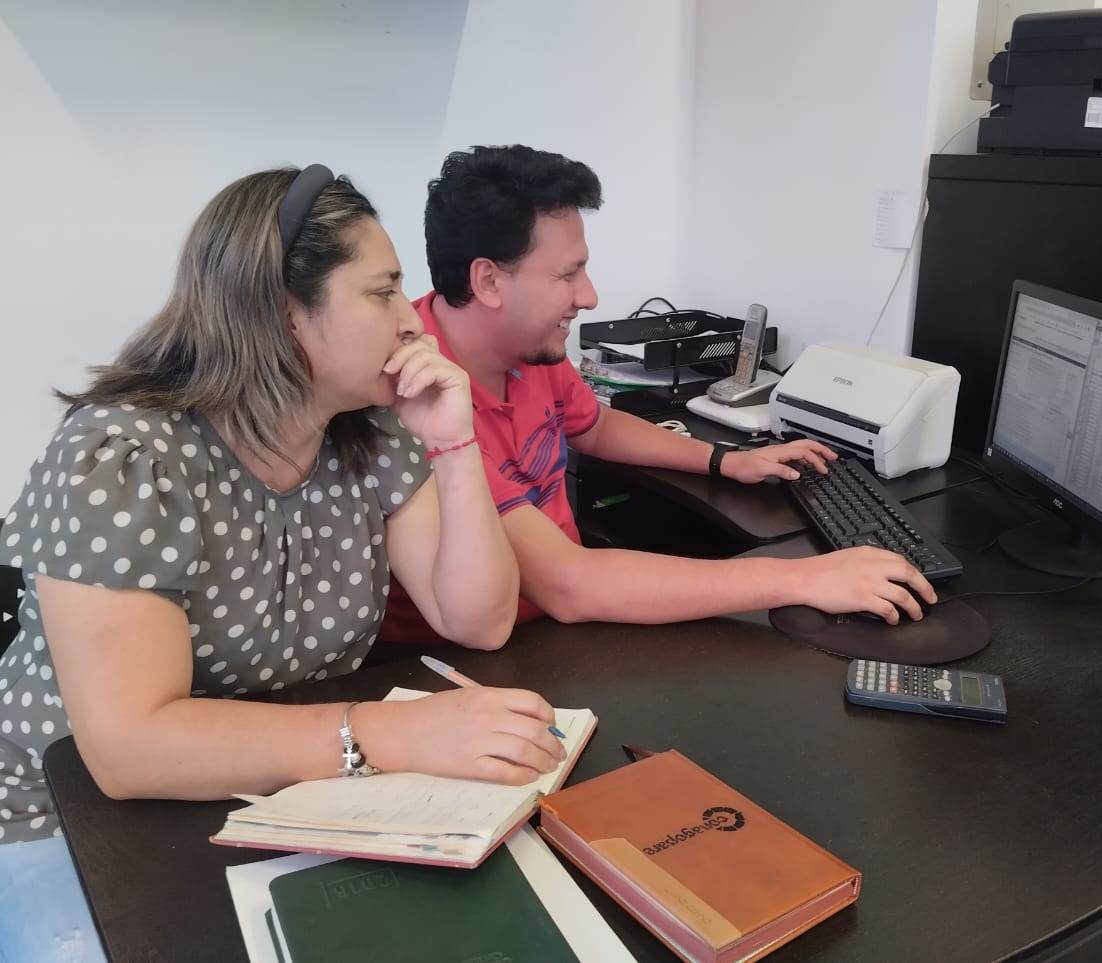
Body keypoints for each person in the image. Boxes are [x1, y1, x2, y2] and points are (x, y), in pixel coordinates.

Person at [0, 165, 565, 963]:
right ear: (280, 309)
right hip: (68, 823)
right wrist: (393, 733)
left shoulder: (371, 433)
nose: (412, 321)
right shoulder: (124, 456)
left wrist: (453, 441)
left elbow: (478, 618)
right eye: (383, 293)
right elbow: (130, 747)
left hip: (269, 796)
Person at [377, 144, 935, 643]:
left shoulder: (529, 346)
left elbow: (593, 426)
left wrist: (724, 459)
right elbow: (569, 585)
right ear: (488, 281)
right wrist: (806, 578)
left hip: (553, 618)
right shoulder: (422, 404)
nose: (589, 297)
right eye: (567, 275)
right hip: (459, 661)